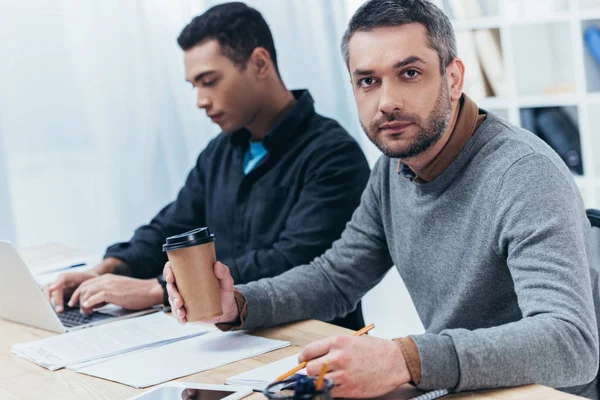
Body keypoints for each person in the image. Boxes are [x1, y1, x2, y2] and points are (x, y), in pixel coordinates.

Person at [165, 0, 600, 398]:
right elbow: (336, 278)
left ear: (453, 78)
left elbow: (570, 341)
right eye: (368, 81)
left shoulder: (524, 174)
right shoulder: (394, 168)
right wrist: (240, 302)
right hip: (458, 387)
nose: (387, 102)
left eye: (409, 73)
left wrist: (404, 358)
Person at [42, 2, 370, 330]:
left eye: (209, 81)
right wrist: (106, 270)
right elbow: (171, 229)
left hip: (309, 346)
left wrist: (155, 290)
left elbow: (290, 263)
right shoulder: (219, 152)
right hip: (224, 338)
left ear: (259, 63)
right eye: (194, 86)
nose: (200, 100)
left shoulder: (334, 156)